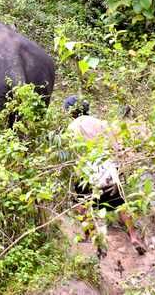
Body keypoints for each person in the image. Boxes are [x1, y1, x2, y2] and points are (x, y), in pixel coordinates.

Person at [63, 96, 146, 257]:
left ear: (71, 111)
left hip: (86, 169)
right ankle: (133, 236)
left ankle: (92, 237)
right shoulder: (100, 122)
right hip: (106, 167)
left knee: (81, 204)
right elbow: (116, 145)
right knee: (120, 203)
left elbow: (72, 154)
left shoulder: (72, 127)